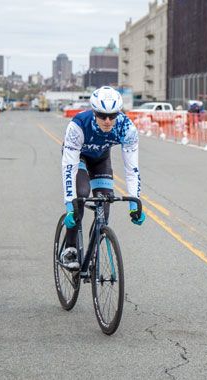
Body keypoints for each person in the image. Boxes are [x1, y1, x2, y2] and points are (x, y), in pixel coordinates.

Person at [61, 86, 145, 270]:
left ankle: (93, 251)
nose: (107, 121)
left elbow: (132, 169)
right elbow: (69, 168)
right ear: (94, 112)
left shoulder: (126, 128)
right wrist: (69, 204)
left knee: (105, 203)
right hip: (79, 159)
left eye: (112, 115)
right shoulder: (78, 125)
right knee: (81, 194)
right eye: (102, 115)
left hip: (100, 159)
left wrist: (135, 203)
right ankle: (70, 248)